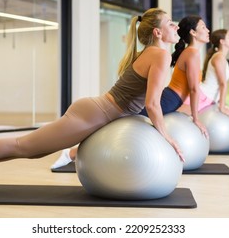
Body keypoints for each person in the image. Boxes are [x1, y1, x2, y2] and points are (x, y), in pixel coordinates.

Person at [0, 8, 184, 196]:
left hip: (96, 113)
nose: (176, 27)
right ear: (157, 32)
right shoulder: (160, 55)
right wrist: (168, 138)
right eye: (171, 24)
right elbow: (152, 104)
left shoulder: (153, 54)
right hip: (93, 114)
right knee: (22, 145)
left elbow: (147, 103)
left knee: (31, 152)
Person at [52, 15, 210, 170]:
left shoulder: (189, 53)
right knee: (116, 125)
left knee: (116, 124)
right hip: (168, 99)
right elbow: (194, 89)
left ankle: (71, 152)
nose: (207, 30)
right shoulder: (192, 53)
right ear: (193, 33)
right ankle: (71, 153)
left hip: (171, 99)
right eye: (203, 27)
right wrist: (196, 119)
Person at [178, 28, 229, 118]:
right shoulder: (219, 58)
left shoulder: (221, 57)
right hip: (203, 96)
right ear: (222, 41)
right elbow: (223, 84)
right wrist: (222, 107)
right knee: (177, 118)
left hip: (208, 98)